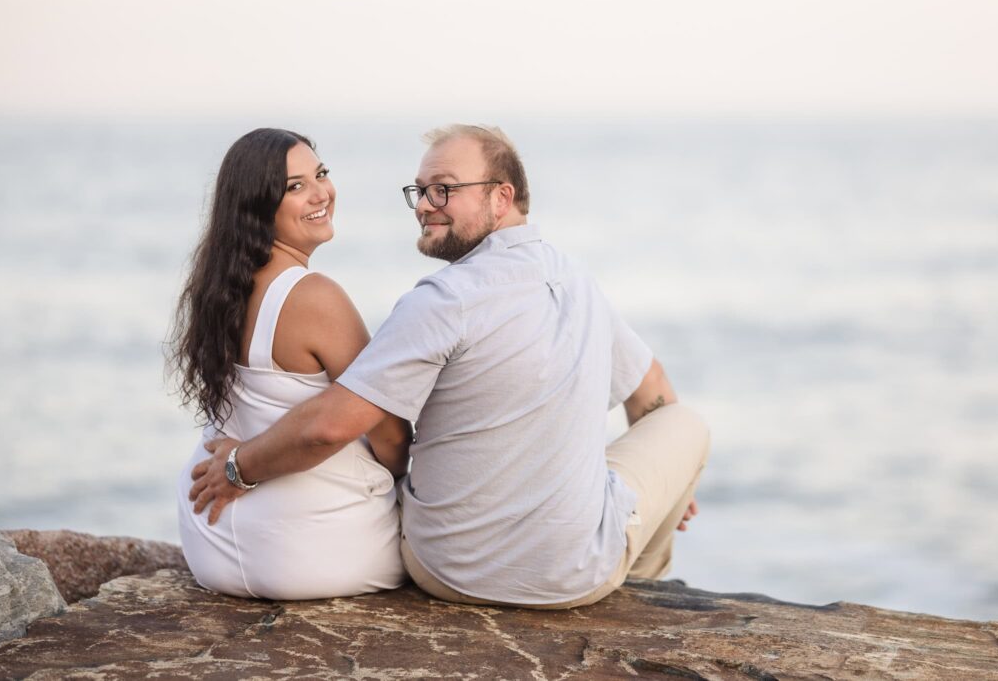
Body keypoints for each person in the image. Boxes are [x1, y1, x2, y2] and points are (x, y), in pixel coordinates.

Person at [189, 124, 710, 608]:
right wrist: (672, 490)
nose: (424, 206)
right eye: (420, 191)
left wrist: (241, 465)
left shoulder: (440, 299)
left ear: (501, 196)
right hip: (572, 576)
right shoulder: (578, 282)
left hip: (443, 568)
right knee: (684, 426)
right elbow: (653, 390)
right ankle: (644, 590)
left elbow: (343, 426)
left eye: (443, 189)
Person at [170, 128, 409, 600]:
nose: (322, 193)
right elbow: (390, 437)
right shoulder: (314, 296)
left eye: (321, 174)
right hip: (312, 551)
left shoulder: (219, 288)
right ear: (259, 207)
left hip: (212, 544)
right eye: (296, 186)